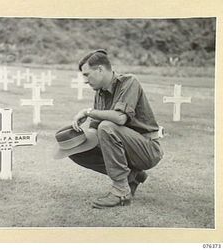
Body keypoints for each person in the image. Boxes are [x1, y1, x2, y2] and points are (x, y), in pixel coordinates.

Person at [66, 49, 163, 208]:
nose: (85, 80)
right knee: (75, 148)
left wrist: (88, 112)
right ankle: (133, 176)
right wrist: (78, 139)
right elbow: (94, 130)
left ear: (100, 69)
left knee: (107, 126)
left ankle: (120, 191)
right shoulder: (100, 93)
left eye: (87, 74)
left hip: (147, 149)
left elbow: (120, 118)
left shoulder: (129, 82)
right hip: (126, 148)